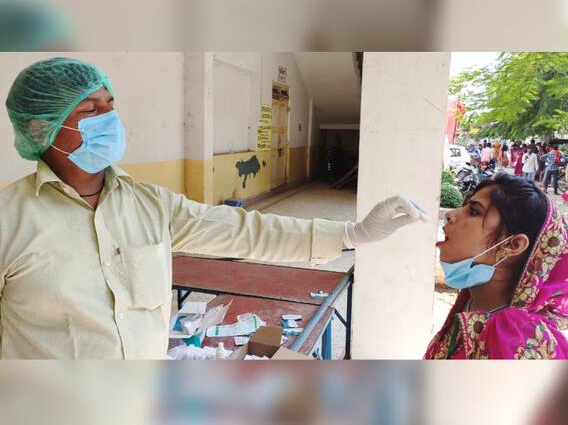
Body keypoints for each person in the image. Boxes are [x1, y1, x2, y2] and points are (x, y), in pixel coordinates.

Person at [0, 58, 428, 359]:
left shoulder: (150, 205)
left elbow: (242, 230)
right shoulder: (9, 220)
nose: (109, 118)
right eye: (90, 110)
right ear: (41, 128)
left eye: (110, 105)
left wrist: (351, 234)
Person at [426, 174, 568, 359]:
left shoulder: (520, 343)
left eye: (474, 211)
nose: (450, 215)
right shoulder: (471, 301)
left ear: (512, 245)